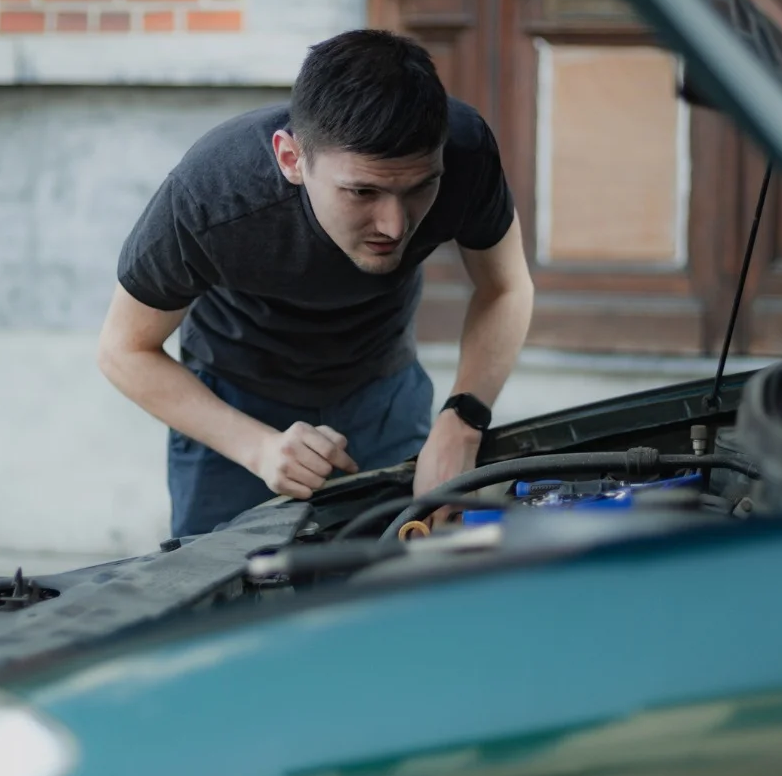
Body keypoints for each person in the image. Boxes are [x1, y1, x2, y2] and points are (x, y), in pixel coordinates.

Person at [97, 29, 535, 538]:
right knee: (227, 589)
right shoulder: (209, 195)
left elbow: (506, 288)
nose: (395, 225)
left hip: (384, 391)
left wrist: (464, 417)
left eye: (420, 187)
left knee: (399, 575)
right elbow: (122, 349)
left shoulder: (465, 153)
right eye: (362, 191)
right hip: (235, 401)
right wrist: (258, 447)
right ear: (291, 159)